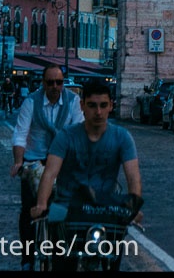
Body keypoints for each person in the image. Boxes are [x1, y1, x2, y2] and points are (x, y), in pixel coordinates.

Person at [30, 78, 142, 272]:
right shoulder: (66, 136)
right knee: (61, 259)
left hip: (105, 205)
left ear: (110, 106)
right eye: (92, 106)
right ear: (82, 106)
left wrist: (134, 206)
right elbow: (50, 173)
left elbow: (133, 176)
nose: (98, 112)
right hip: (68, 204)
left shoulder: (122, 137)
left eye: (103, 105)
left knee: (115, 249)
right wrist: (41, 204)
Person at [11, 64, 84, 271]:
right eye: (50, 82)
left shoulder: (73, 102)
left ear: (63, 83)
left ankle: (61, 252)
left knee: (64, 209)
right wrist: (19, 161)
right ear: (43, 83)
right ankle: (26, 259)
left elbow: (79, 131)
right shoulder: (30, 103)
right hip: (35, 160)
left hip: (62, 161)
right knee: (28, 211)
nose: (54, 86)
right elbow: (20, 134)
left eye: (59, 82)